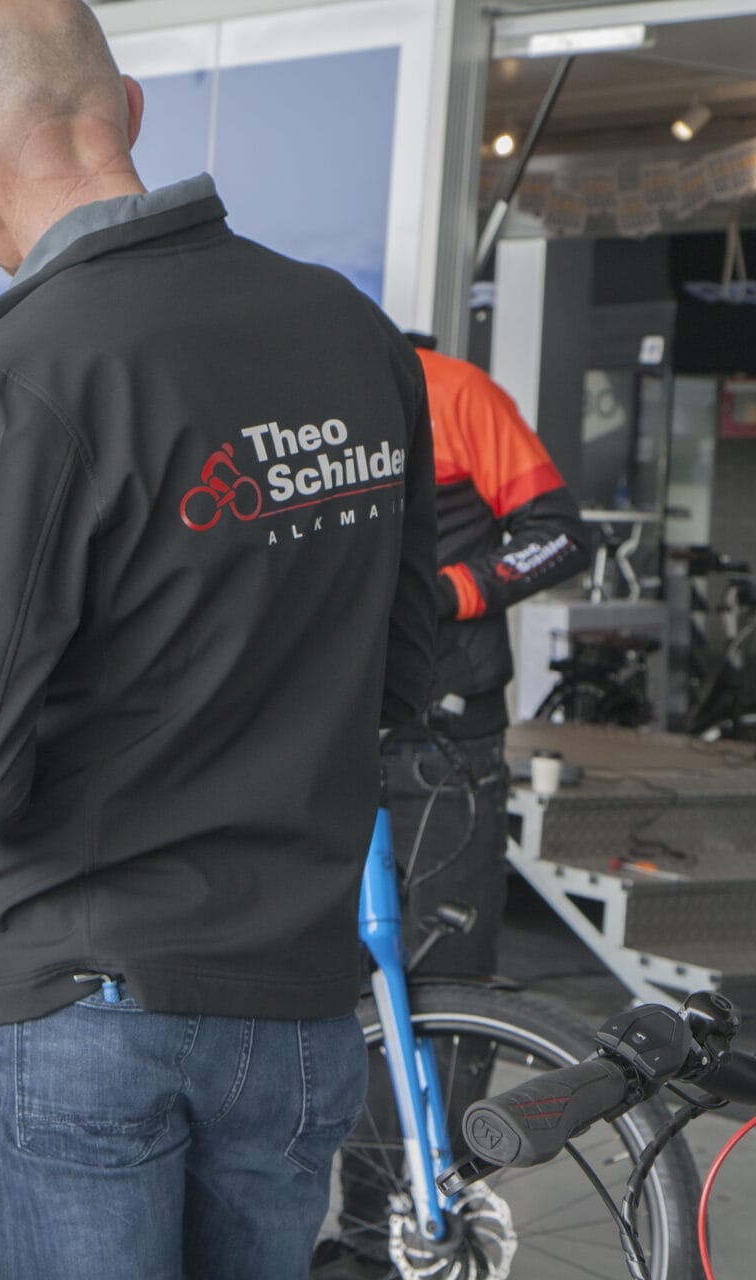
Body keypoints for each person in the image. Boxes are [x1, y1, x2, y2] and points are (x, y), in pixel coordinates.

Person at [0, 4, 439, 1278]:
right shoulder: (352, 332)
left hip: (91, 996)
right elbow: (405, 677)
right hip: (298, 1000)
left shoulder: (29, 371)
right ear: (129, 110)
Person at [319, 336, 593, 1277]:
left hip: (440, 745)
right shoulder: (281, 397)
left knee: (438, 1000)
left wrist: (447, 592)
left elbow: (560, 529)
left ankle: (421, 1228)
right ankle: (361, 1240)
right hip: (320, 742)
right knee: (338, 1000)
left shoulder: (453, 390)